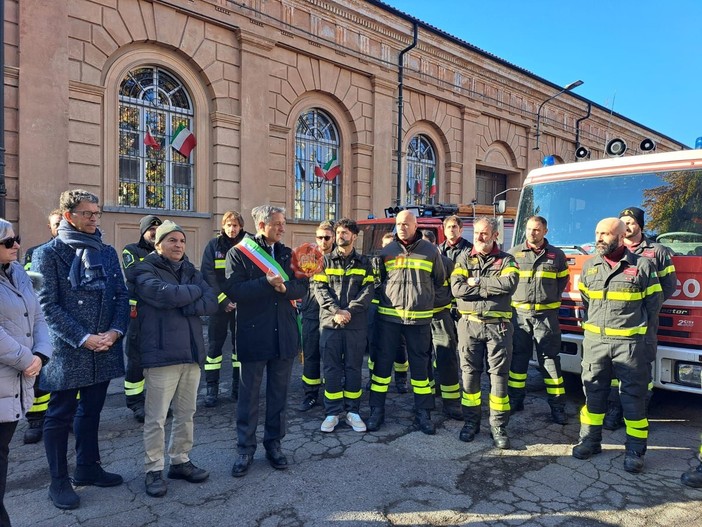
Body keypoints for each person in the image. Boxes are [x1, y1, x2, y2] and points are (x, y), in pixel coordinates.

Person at [32, 189, 130, 510]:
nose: (94, 219)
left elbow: (120, 295)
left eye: (97, 213)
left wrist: (114, 332)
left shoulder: (106, 251)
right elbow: (47, 307)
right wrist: (84, 337)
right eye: (88, 214)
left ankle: (88, 467)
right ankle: (58, 480)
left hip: (103, 346)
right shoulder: (47, 254)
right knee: (59, 416)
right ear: (69, 215)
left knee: (91, 411)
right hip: (69, 350)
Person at [572, 218, 663, 474]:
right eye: (597, 232)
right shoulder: (590, 267)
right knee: (593, 394)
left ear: (621, 236)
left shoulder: (642, 266)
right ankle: (590, 441)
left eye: (605, 234)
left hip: (629, 346)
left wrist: (638, 336)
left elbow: (653, 305)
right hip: (596, 344)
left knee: (633, 398)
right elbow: (587, 302)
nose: (599, 238)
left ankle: (635, 450)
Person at [134, 220, 218, 497]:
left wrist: (182, 300)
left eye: (182, 241)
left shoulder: (191, 270)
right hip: (161, 354)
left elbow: (212, 301)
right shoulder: (144, 267)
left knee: (186, 413)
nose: (178, 245)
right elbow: (161, 294)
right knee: (156, 417)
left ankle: (180, 461)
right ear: (158, 244)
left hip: (191, 353)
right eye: (172, 240)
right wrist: (192, 297)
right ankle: (153, 469)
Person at [224, 205, 308, 477]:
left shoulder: (287, 254)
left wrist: (284, 288)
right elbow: (234, 290)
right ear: (262, 225)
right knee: (248, 396)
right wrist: (266, 284)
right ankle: (245, 449)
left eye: (283, 223)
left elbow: (302, 287)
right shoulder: (239, 253)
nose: (283, 228)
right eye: (278, 223)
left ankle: (274, 444)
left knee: (278, 395)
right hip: (254, 333)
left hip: (283, 333)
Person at [369, 210, 445, 434]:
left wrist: (424, 300)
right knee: (382, 366)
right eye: (399, 224)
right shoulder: (387, 251)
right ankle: (376, 411)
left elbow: (439, 280)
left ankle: (423, 413)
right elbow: (379, 280)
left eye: (406, 224)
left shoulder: (430, 251)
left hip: (419, 319)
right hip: (389, 317)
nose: (402, 227)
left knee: (420, 369)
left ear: (416, 226)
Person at [603, 206, 677, 430]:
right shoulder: (612, 249)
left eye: (631, 222)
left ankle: (639, 410)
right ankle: (616, 408)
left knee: (641, 368)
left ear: (640, 225)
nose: (627, 226)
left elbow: (668, 287)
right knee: (617, 369)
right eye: (623, 222)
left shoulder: (658, 251)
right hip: (617, 323)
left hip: (644, 323)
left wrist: (647, 309)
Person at [0, 219, 52, 526]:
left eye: (16, 239)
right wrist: (25, 359)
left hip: (17, 380)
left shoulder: (18, 272)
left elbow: (38, 316)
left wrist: (42, 354)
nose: (17, 245)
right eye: (8, 242)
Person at [451, 217, 519, 449]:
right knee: (469, 375)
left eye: (484, 234)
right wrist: (490, 286)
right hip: (469, 325)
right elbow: (457, 289)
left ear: (495, 236)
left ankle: (498, 426)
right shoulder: (463, 258)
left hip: (497, 327)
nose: (479, 238)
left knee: (498, 377)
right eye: (477, 233)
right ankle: (471, 423)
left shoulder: (507, 260)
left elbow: (508, 285)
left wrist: (476, 282)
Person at [313, 218, 374, 433]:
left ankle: (352, 412)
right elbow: (319, 289)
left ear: (354, 237)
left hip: (355, 324)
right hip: (330, 324)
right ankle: (332, 412)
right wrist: (336, 311)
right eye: (338, 232)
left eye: (345, 232)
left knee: (353, 368)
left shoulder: (365, 263)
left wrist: (349, 311)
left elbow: (368, 292)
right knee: (331, 368)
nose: (340, 236)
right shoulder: (325, 261)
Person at [508, 216, 569, 424]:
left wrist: (547, 300)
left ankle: (558, 407)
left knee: (550, 361)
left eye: (536, 230)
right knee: (518, 359)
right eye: (528, 229)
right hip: (520, 318)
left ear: (545, 231)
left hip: (546, 318)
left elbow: (562, 282)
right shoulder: (513, 254)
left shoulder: (557, 255)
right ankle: (515, 400)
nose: (531, 233)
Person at [21, 209, 61, 444]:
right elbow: (31, 288)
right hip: (42, 321)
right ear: (50, 227)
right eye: (56, 224)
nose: (59, 227)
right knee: (40, 372)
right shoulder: (35, 253)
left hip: (66, 324)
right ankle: (36, 419)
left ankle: (71, 413)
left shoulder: (78, 253)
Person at [202, 211, 246, 407]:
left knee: (240, 348)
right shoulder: (214, 246)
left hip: (241, 304)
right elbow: (208, 275)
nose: (232, 229)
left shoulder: (247, 245)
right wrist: (223, 300)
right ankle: (212, 389)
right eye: (229, 225)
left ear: (241, 227)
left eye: (235, 225)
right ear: (223, 226)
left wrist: (239, 299)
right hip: (219, 305)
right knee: (214, 348)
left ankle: (238, 388)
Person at [122, 214, 163, 423]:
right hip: (139, 313)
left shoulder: (166, 250)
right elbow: (134, 275)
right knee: (136, 358)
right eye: (151, 230)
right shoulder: (131, 250)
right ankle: (135, 402)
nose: (155, 233)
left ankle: (156, 402)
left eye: (158, 229)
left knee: (158, 357)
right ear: (144, 231)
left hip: (160, 313)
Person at [421, 230, 462, 420]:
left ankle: (451, 403)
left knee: (447, 359)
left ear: (435, 246)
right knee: (422, 359)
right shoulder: (416, 264)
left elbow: (455, 291)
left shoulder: (446, 263)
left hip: (440, 317)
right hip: (419, 318)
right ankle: (426, 400)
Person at [298, 221, 335, 412]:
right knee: (311, 355)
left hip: (331, 314)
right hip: (311, 312)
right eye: (319, 237)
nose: (323, 241)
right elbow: (300, 283)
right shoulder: (308, 257)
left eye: (327, 237)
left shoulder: (339, 257)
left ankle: (333, 392)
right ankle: (310, 394)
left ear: (334, 237)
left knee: (333, 356)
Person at [367, 232, 409, 394]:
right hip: (375, 309)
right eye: (384, 246)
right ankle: (373, 377)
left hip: (395, 311)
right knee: (374, 344)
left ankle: (401, 379)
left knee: (399, 346)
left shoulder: (400, 264)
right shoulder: (374, 262)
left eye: (390, 245)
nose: (387, 249)